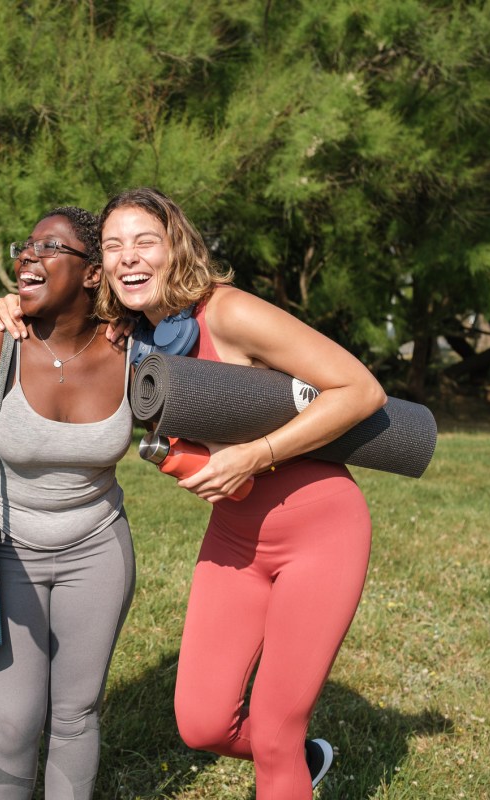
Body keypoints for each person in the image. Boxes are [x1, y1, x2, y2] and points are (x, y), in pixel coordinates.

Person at [91, 187, 386, 798]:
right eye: (113, 246)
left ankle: (285, 763)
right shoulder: (135, 339)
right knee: (202, 723)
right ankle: (298, 761)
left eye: (145, 241)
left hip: (319, 529)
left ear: (177, 246)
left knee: (275, 733)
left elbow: (360, 390)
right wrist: (10, 305)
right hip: (235, 536)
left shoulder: (228, 313)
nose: (129, 257)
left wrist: (256, 453)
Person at [0, 207, 135, 799]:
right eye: (27, 245)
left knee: (76, 713)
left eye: (50, 246)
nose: (28, 254)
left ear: (93, 273)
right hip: (10, 551)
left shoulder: (132, 348)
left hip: (98, 550)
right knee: (12, 719)